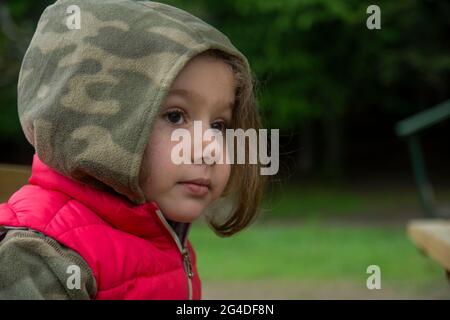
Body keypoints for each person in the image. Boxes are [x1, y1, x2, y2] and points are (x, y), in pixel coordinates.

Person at [0, 0, 266, 299]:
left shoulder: (161, 235)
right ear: (94, 114)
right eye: (175, 116)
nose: (210, 148)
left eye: (218, 125)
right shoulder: (40, 255)